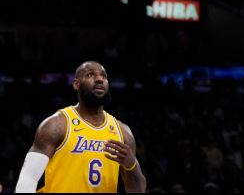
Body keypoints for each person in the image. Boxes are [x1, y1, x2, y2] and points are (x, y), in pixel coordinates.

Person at [15, 61, 146, 193]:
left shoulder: (122, 132)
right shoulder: (57, 124)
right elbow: (28, 178)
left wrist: (131, 165)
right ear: (76, 84)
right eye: (90, 75)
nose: (99, 79)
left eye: (103, 76)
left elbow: (138, 190)